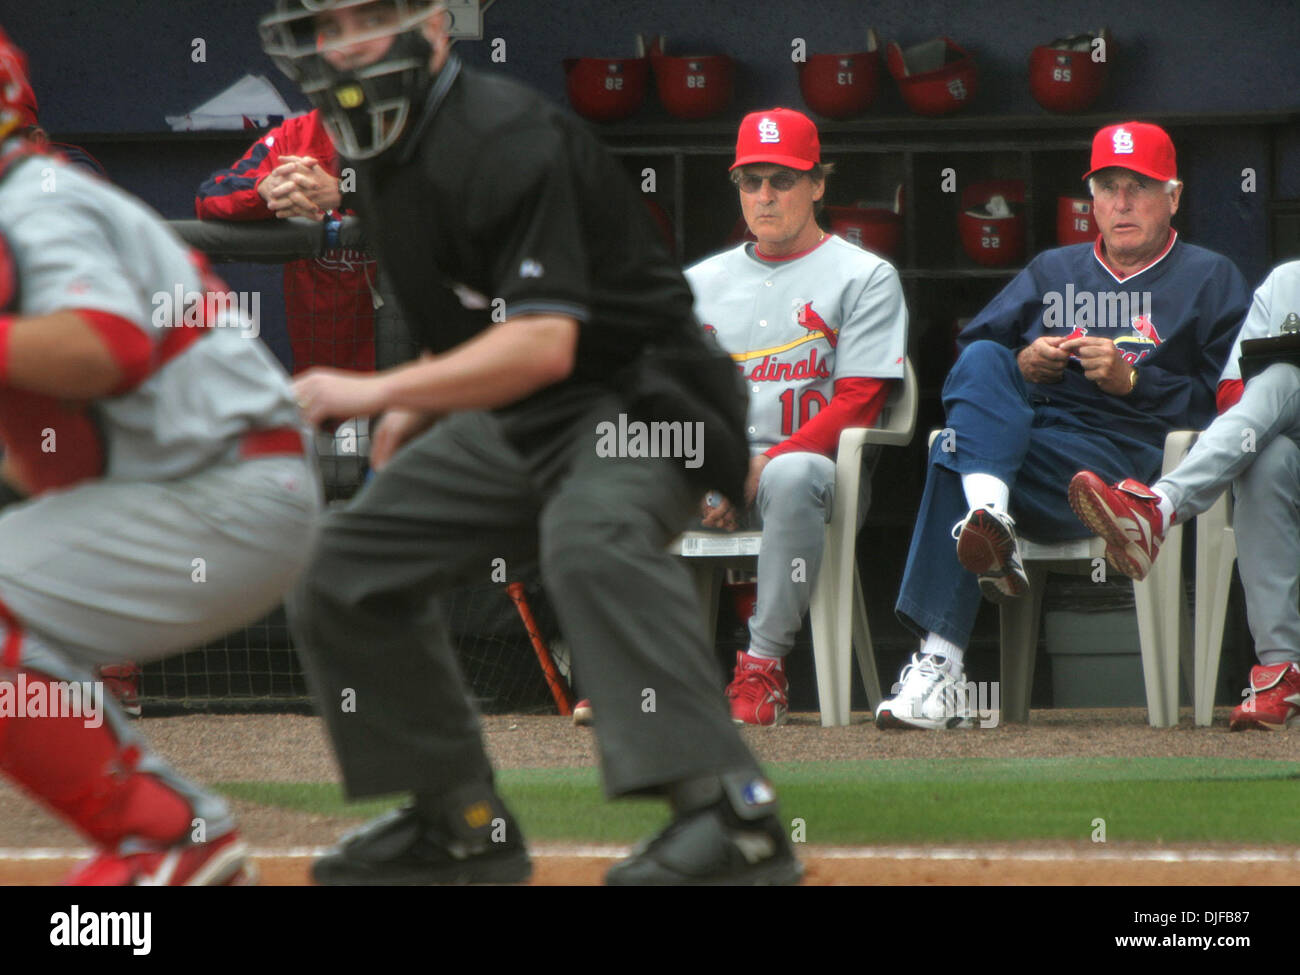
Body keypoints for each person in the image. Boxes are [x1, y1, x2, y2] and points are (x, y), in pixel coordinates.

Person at [261, 0, 801, 885]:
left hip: (644, 395)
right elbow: (474, 314)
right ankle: (458, 821)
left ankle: (731, 817)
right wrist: (423, 407)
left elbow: (546, 338)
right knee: (346, 566)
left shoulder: (505, 132)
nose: (343, 40)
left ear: (434, 28)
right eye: (328, 22)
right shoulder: (377, 152)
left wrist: (381, 388)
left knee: (589, 538)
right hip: (523, 414)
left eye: (367, 15)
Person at [0, 26, 320, 884]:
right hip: (196, 488)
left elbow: (104, 345)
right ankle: (174, 842)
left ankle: (170, 837)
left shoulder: (33, 198)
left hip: (223, 486)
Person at [876, 121, 1251, 729]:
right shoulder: (1052, 270)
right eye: (1108, 188)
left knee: (952, 449)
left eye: (1139, 187)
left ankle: (939, 661)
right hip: (1030, 440)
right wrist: (1026, 367)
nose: (1122, 203)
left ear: (1174, 197)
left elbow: (1234, 408)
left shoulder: (1211, 277)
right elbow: (973, 363)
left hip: (1119, 470)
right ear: (1093, 201)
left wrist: (1135, 381)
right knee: (983, 360)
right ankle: (989, 515)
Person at [683, 107, 907, 726]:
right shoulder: (698, 283)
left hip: (814, 482)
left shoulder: (865, 276)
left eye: (782, 180)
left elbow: (859, 401)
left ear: (817, 184)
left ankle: (762, 670)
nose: (764, 195)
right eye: (751, 181)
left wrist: (757, 468)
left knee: (790, 474)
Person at [1070, 260, 1300, 731]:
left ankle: (1157, 511)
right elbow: (1232, 392)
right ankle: (1283, 669)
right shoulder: (1287, 281)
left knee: (1280, 383)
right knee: (1269, 450)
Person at [196, 108, 378, 374]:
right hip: (324, 369)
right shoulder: (297, 136)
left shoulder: (410, 127)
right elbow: (209, 198)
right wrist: (263, 189)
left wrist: (345, 192)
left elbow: (437, 195)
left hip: (414, 362)